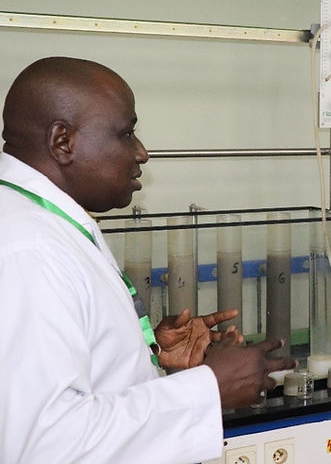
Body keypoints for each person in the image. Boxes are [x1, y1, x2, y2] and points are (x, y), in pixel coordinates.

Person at [0, 56, 296, 463]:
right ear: (62, 142)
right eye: (126, 133)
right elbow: (45, 446)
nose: (141, 153)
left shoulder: (40, 222)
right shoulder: (28, 251)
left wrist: (145, 352)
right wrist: (209, 388)